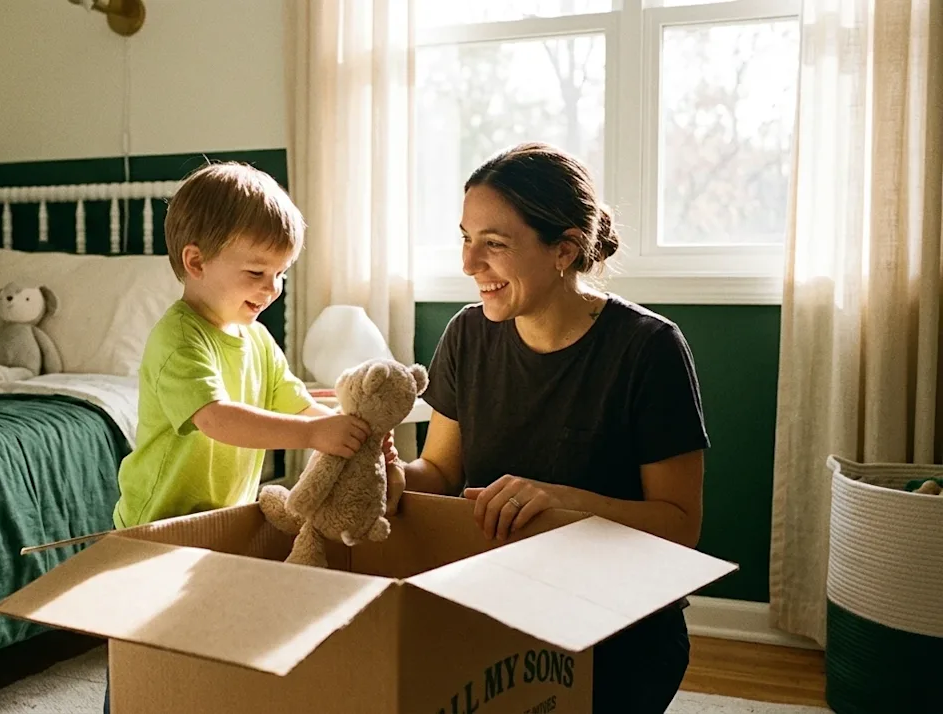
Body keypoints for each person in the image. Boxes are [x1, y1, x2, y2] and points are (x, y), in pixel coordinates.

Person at [388, 143, 709, 713]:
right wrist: (388, 477)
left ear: (564, 250)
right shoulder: (466, 335)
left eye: (494, 244)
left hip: (619, 631)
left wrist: (559, 502)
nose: (468, 264)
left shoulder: (650, 348)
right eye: (465, 237)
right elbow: (438, 471)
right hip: (500, 609)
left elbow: (679, 527)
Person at [103, 161, 395, 713]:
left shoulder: (256, 338)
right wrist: (313, 433)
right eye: (257, 273)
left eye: (281, 274)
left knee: (205, 646)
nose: (273, 289)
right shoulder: (178, 338)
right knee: (143, 652)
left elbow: (292, 399)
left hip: (223, 517)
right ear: (196, 261)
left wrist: (347, 433)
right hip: (158, 523)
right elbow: (219, 417)